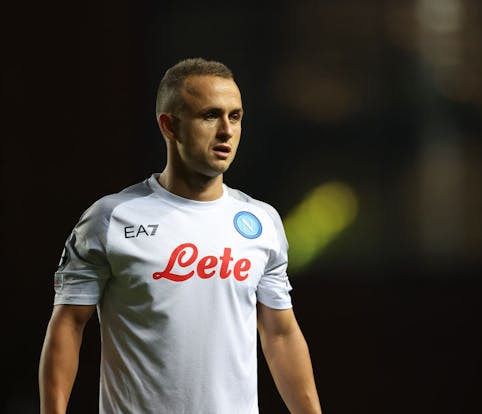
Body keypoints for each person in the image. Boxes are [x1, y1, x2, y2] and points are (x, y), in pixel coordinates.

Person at [39, 58, 322, 414]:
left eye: (235, 117)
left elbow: (280, 334)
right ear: (169, 126)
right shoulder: (110, 219)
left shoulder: (261, 222)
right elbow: (68, 322)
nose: (226, 130)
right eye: (210, 115)